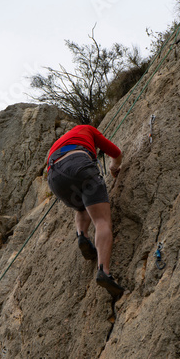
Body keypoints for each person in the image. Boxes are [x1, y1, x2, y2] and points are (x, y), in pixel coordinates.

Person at [46, 125, 124, 298]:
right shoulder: (87, 129)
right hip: (79, 163)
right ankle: (104, 270)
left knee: (82, 205)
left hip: (54, 176)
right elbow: (116, 152)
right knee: (102, 221)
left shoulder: (63, 139)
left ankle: (82, 235)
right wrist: (113, 167)